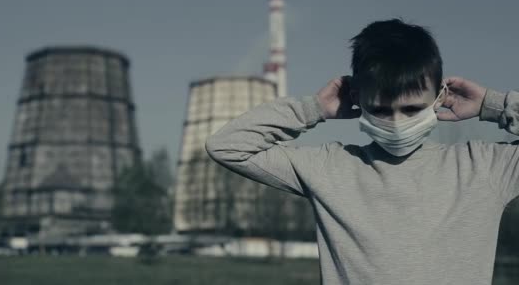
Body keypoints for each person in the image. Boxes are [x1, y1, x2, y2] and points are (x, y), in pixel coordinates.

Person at [204, 18, 519, 284]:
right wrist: (313, 108)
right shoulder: (330, 168)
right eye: (380, 110)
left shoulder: (485, 167)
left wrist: (495, 104)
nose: (397, 123)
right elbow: (228, 147)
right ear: (356, 97)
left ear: (440, 97)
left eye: (412, 109)